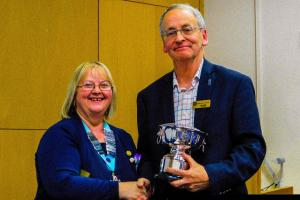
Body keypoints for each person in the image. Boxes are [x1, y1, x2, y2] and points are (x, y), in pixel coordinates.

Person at [136, 3, 266, 198]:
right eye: (171, 32)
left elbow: (252, 149)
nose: (179, 38)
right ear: (164, 44)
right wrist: (144, 177)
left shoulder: (235, 85)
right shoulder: (148, 96)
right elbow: (144, 153)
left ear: (203, 36)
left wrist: (210, 175)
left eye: (187, 29)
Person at [35, 61, 149, 200]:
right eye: (88, 85)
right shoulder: (60, 134)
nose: (97, 90)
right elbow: (63, 184)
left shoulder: (124, 138)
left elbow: (139, 163)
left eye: (104, 85)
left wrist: (144, 181)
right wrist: (119, 189)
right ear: (74, 93)